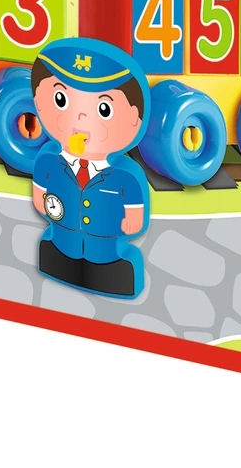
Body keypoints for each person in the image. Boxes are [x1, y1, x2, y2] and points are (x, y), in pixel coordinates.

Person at [30, 38, 151, 298]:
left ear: (134, 119)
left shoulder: (124, 175)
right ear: (39, 100)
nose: (81, 117)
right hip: (60, 244)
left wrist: (133, 218)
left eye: (103, 109)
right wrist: (40, 197)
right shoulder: (49, 160)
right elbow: (41, 187)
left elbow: (134, 209)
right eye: (61, 99)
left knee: (113, 271)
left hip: (107, 254)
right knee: (58, 255)